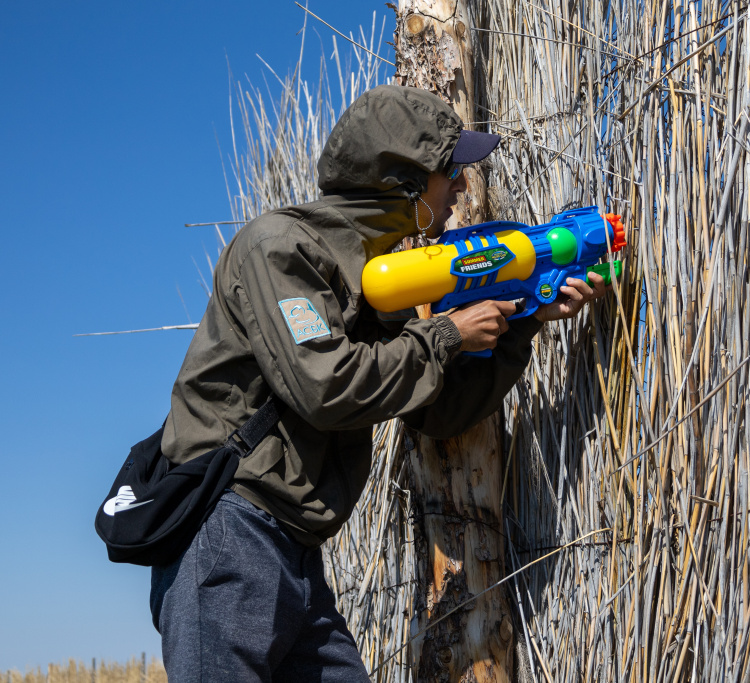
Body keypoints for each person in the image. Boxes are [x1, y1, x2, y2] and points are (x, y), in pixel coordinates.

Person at [149, 84, 606, 681]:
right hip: (232, 533)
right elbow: (326, 387)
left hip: (294, 553)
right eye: (451, 172)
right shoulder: (281, 249)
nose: (462, 188)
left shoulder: (377, 278)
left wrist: (524, 324)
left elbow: (436, 414)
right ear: (407, 185)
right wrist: (444, 336)